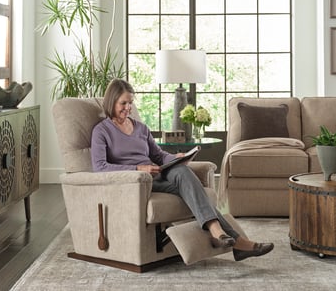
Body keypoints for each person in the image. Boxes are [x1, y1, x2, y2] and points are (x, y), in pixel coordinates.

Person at [91, 79, 274, 261]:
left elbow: (159, 155)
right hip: (137, 181)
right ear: (111, 101)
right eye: (123, 103)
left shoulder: (141, 128)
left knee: (183, 172)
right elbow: (100, 167)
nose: (128, 107)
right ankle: (235, 240)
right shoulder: (102, 131)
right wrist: (138, 168)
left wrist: (176, 158)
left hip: (158, 173)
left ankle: (222, 234)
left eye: (131, 103)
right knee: (194, 188)